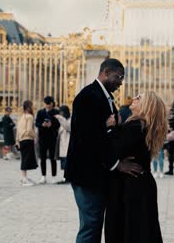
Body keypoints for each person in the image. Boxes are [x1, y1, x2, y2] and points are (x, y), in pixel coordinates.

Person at [64, 58, 142, 243]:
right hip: (86, 173)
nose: (120, 83)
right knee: (91, 224)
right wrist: (116, 164)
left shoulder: (105, 97)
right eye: (118, 77)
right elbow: (88, 137)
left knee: (95, 223)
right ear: (106, 73)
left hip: (97, 172)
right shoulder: (88, 97)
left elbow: (108, 132)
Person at [105, 92, 167, 243]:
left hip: (132, 184)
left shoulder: (136, 125)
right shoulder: (142, 125)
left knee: (131, 231)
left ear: (147, 106)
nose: (133, 99)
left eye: (139, 98)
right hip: (140, 182)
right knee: (142, 230)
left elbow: (114, 148)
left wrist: (110, 128)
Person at [35, 96, 60, 184]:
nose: (48, 106)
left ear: (52, 103)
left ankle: (54, 176)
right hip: (42, 137)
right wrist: (42, 124)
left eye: (49, 104)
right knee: (43, 158)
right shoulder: (40, 112)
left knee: (53, 158)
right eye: (46, 104)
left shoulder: (56, 112)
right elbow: (37, 123)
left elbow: (58, 124)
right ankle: (43, 176)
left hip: (52, 137)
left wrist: (51, 125)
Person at [16, 100, 38, 186]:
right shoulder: (30, 117)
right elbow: (29, 130)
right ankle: (24, 178)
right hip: (28, 139)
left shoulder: (21, 117)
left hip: (21, 140)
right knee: (26, 159)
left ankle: (24, 177)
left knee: (23, 158)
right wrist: (35, 136)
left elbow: (18, 130)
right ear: (29, 107)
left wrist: (17, 140)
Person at [55, 105, 71, 185]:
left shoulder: (69, 120)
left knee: (67, 162)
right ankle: (65, 177)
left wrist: (61, 118)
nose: (60, 114)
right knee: (63, 162)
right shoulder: (63, 120)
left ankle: (67, 178)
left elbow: (68, 127)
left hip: (67, 144)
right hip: (62, 144)